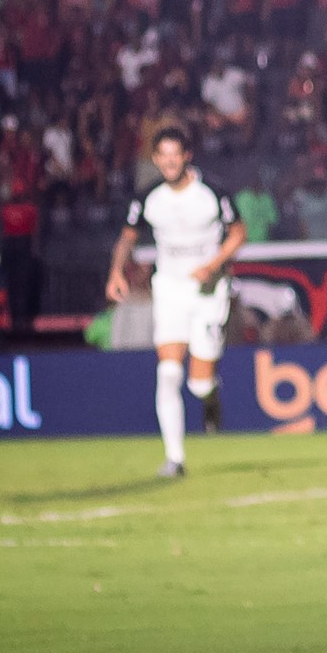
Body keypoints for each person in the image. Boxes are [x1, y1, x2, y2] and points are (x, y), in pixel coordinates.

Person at [105, 125, 244, 479]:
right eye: (162, 156)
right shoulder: (148, 197)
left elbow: (238, 233)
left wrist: (212, 266)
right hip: (169, 289)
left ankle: (210, 397)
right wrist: (117, 272)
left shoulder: (211, 192)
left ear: (186, 156)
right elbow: (126, 238)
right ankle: (175, 458)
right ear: (155, 159)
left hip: (209, 293)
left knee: (198, 383)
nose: (168, 162)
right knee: (168, 373)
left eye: (174, 155)